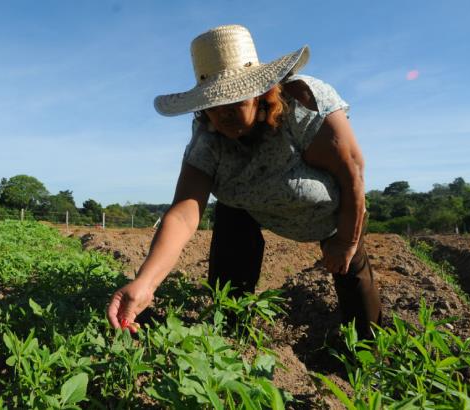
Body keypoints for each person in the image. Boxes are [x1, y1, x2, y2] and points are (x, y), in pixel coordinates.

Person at [107, 24, 381, 339]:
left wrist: (346, 240)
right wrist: (145, 284)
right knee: (230, 230)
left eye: (236, 100)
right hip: (248, 206)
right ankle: (230, 335)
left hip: (328, 213)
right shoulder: (207, 142)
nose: (224, 114)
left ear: (261, 92)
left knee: (354, 279)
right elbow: (183, 213)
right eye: (214, 104)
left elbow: (352, 173)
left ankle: (369, 354)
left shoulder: (304, 108)